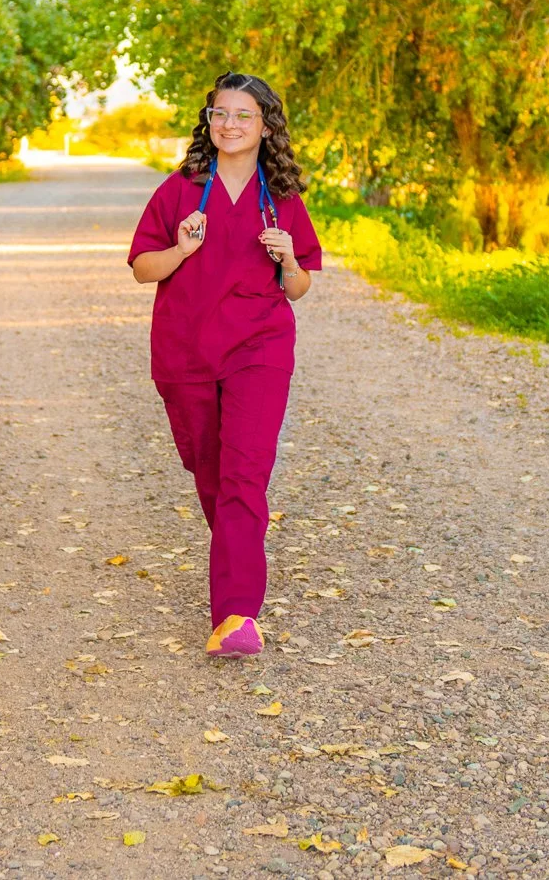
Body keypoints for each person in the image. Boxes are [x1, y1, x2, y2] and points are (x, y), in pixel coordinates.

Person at [128, 72, 323, 658]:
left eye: (243, 115)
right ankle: (238, 560)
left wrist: (289, 258)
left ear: (266, 127)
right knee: (210, 474)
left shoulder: (281, 198)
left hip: (260, 351)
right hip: (185, 352)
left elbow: (299, 288)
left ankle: (237, 616)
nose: (229, 125)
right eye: (220, 114)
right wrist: (183, 248)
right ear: (208, 122)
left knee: (244, 477)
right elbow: (142, 269)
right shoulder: (180, 190)